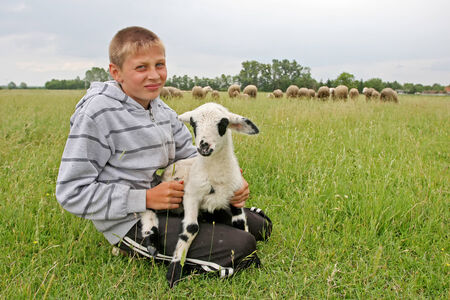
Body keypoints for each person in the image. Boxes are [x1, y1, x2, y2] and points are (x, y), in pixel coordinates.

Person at [56, 26, 272, 282]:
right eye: (141, 68)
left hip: (172, 202)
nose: (154, 75)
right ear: (116, 72)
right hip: (131, 220)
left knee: (262, 227)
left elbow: (193, 155)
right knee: (242, 247)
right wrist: (145, 198)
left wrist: (230, 180)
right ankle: (129, 247)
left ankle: (200, 226)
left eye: (160, 65)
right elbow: (71, 192)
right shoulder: (97, 115)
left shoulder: (161, 110)